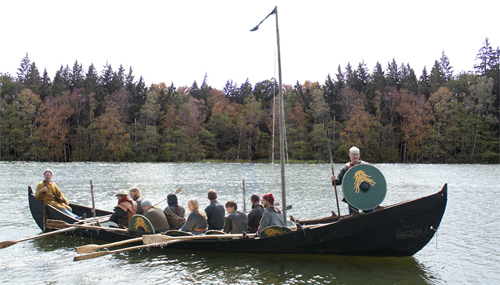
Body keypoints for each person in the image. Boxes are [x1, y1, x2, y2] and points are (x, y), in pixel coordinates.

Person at [330, 146, 371, 215]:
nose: (355, 156)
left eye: (357, 154)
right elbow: (338, 182)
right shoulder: (346, 168)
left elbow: (375, 179)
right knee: (353, 215)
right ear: (350, 155)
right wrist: (333, 180)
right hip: (352, 196)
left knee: (370, 213)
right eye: (354, 154)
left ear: (359, 155)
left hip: (365, 194)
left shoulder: (366, 166)